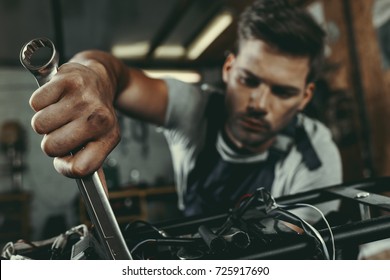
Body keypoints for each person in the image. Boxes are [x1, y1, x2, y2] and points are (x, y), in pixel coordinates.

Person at [29, 0, 342, 221]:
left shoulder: (315, 156)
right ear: (229, 69)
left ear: (304, 97)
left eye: (283, 92)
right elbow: (121, 79)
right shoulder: (194, 108)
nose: (259, 104)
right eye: (249, 80)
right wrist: (93, 78)